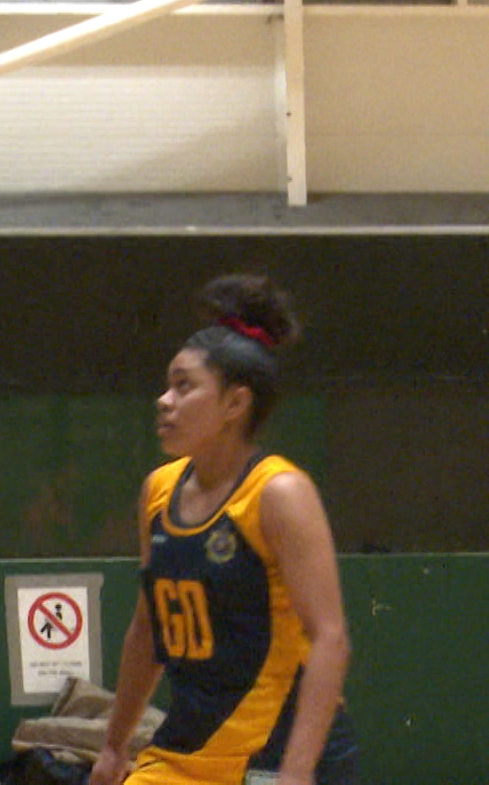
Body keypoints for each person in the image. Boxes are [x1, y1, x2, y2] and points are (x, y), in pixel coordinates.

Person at [87, 275, 358, 785]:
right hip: (187, 750)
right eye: (167, 385)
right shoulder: (159, 491)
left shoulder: (279, 494)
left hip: (276, 754)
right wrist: (113, 745)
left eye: (184, 386)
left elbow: (330, 638)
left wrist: (297, 773)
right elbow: (147, 630)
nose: (164, 400)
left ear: (234, 404)